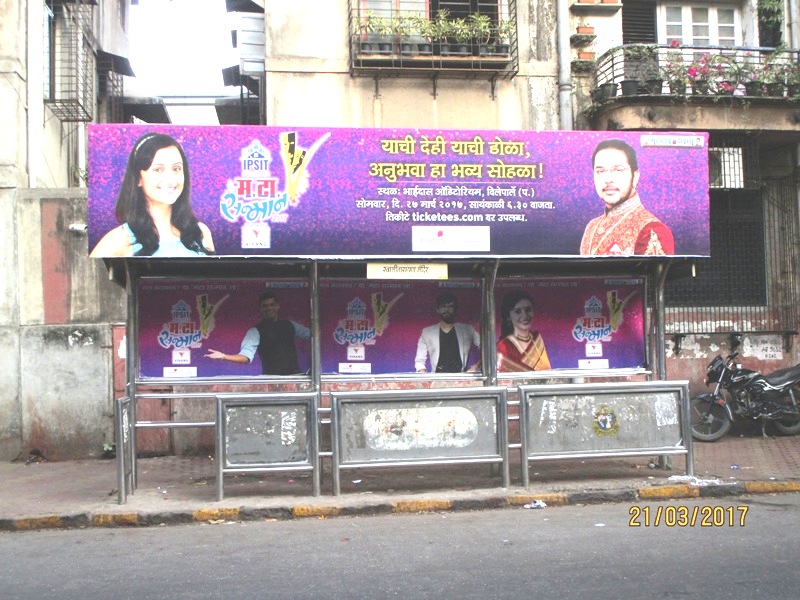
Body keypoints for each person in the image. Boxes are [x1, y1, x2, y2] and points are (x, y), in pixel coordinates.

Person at [90, 132, 215, 257]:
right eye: (158, 170)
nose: (170, 179)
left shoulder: (201, 233)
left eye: (176, 169)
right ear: (138, 178)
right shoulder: (121, 239)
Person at [580, 139, 675, 256]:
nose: (608, 179)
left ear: (635, 176)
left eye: (618, 170)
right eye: (600, 171)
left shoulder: (652, 230)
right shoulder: (591, 227)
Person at [205, 291, 310, 375]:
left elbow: (313, 336)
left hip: (295, 378)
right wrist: (223, 356)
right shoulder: (255, 331)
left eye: (272, 305)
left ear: (278, 306)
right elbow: (245, 357)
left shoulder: (290, 325)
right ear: (260, 308)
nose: (269, 308)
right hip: (272, 382)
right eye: (265, 306)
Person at [414, 291, 480, 373]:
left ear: (455, 309)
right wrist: (424, 377)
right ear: (437, 310)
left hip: (461, 378)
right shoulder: (427, 332)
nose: (446, 310)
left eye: (450, 306)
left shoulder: (468, 329)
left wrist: (475, 367)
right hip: (437, 379)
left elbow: (487, 350)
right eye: (443, 306)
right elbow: (419, 361)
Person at [496, 290, 551, 372]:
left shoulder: (537, 339)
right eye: (518, 311)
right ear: (508, 317)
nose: (524, 316)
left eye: (528, 310)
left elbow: (547, 372)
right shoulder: (504, 346)